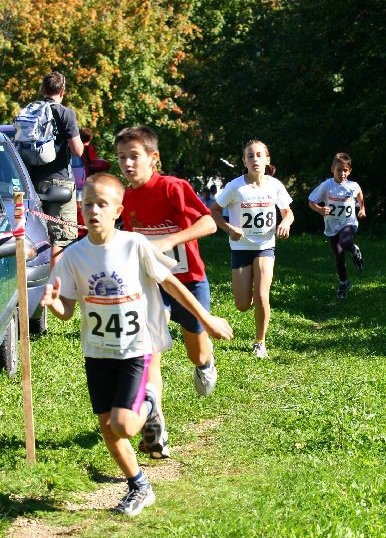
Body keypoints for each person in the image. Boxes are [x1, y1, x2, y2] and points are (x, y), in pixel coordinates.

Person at [40, 173, 232, 516]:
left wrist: (206, 318)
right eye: (88, 205)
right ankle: (140, 486)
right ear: (81, 212)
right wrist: (55, 304)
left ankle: (149, 401)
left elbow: (171, 284)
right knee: (107, 427)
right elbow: (67, 311)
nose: (94, 211)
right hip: (97, 353)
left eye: (102, 204)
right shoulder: (73, 256)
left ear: (118, 210)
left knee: (125, 425)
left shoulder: (134, 245)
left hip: (134, 350)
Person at [115, 125, 218, 459]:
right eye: (121, 158)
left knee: (196, 353)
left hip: (189, 282)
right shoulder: (126, 198)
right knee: (149, 350)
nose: (128, 164)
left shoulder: (174, 188)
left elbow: (209, 223)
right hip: (152, 285)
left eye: (134, 156)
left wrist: (169, 240)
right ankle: (154, 417)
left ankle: (205, 364)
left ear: (153, 158)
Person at [211, 139, 294, 359]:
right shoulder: (235, 186)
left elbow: (288, 212)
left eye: (259, 155)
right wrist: (229, 229)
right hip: (240, 247)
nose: (255, 159)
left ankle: (260, 342)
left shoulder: (275, 185)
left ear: (267, 159)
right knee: (241, 304)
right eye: (250, 156)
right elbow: (214, 211)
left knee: (261, 295)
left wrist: (285, 223)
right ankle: (254, 327)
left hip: (265, 246)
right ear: (244, 161)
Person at [28, 71, 84, 270]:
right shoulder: (65, 113)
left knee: (37, 235)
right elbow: (78, 150)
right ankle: (55, 291)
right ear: (62, 90)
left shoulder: (31, 111)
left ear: (43, 89)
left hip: (33, 182)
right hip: (60, 183)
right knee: (62, 237)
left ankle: (35, 285)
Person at [308, 152, 366, 298]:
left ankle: (354, 250)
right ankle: (343, 282)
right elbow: (311, 201)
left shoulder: (353, 186)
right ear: (332, 169)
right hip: (331, 227)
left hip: (349, 222)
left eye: (345, 170)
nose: (342, 173)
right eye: (339, 170)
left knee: (345, 242)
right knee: (339, 257)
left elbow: (359, 194)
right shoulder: (327, 185)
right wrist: (320, 209)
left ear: (349, 171)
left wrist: (362, 208)